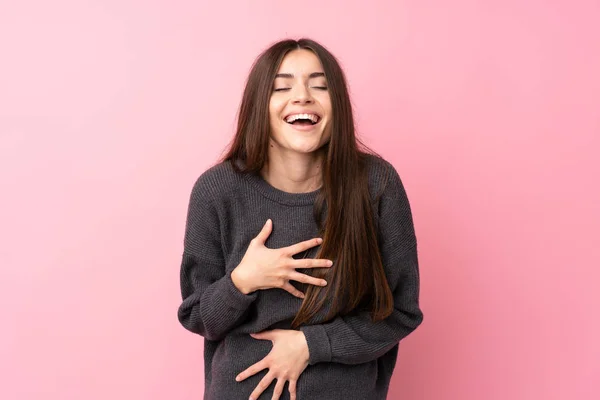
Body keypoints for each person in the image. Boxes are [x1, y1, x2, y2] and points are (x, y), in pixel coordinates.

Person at [177, 38, 423, 400]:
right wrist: (243, 281)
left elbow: (400, 312)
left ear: (337, 104)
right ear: (259, 105)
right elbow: (197, 316)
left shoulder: (377, 184)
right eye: (282, 86)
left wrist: (312, 344)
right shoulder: (217, 190)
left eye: (320, 86)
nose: (303, 96)